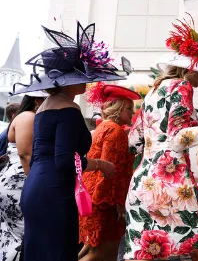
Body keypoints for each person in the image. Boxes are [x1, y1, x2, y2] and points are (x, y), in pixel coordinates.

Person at [125, 15, 198, 261]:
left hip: (144, 183)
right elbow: (179, 138)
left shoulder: (153, 91)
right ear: (190, 69)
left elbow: (134, 140)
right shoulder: (182, 86)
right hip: (172, 182)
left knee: (148, 249)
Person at [12, 22, 120, 261]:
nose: (87, 80)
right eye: (81, 75)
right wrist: (101, 165)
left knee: (38, 252)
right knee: (57, 252)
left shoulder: (43, 109)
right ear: (66, 81)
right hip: (54, 191)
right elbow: (63, 161)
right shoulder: (69, 109)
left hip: (35, 189)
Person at [78, 83, 141, 261]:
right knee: (102, 254)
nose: (132, 113)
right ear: (117, 109)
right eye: (129, 108)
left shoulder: (102, 127)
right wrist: (117, 205)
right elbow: (110, 171)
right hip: (104, 202)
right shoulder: (115, 131)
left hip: (93, 198)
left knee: (94, 250)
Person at [0, 92, 46, 261]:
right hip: (18, 184)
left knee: (12, 236)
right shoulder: (28, 117)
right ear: (37, 101)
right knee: (20, 235)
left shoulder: (25, 117)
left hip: (15, 182)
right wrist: (35, 185)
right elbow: (26, 156)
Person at [0, 103, 20, 170]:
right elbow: (2, 158)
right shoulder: (7, 135)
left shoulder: (8, 132)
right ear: (14, 116)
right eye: (21, 114)